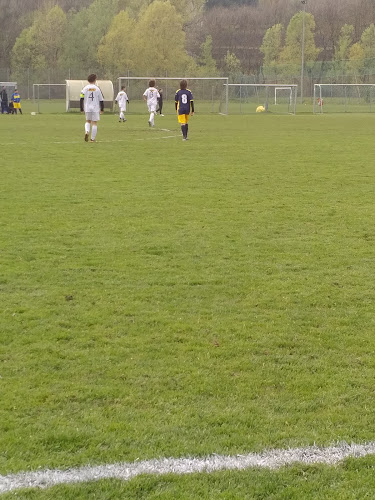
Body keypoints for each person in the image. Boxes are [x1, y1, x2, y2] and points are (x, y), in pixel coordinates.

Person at [80, 74, 104, 143]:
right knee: (94, 123)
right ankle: (92, 139)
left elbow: (81, 98)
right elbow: (101, 99)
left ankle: (87, 131)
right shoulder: (97, 88)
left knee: (88, 121)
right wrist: (102, 109)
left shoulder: (85, 88)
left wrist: (81, 108)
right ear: (95, 80)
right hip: (95, 108)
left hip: (87, 107)